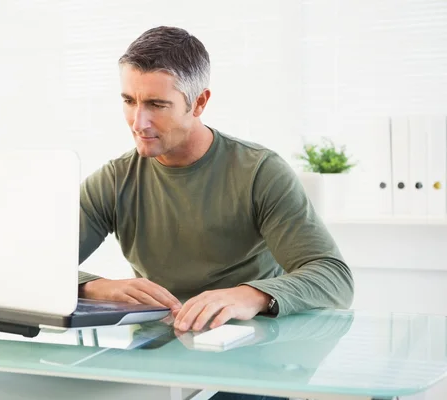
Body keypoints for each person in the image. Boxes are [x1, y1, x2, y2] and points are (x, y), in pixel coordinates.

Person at [76, 25, 354, 400]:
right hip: (158, 363)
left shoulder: (258, 171)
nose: (138, 122)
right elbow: (36, 266)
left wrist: (249, 295)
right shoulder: (114, 180)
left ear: (199, 103)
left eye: (157, 105)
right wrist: (98, 287)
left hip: (251, 363)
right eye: (129, 101)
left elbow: (333, 277)